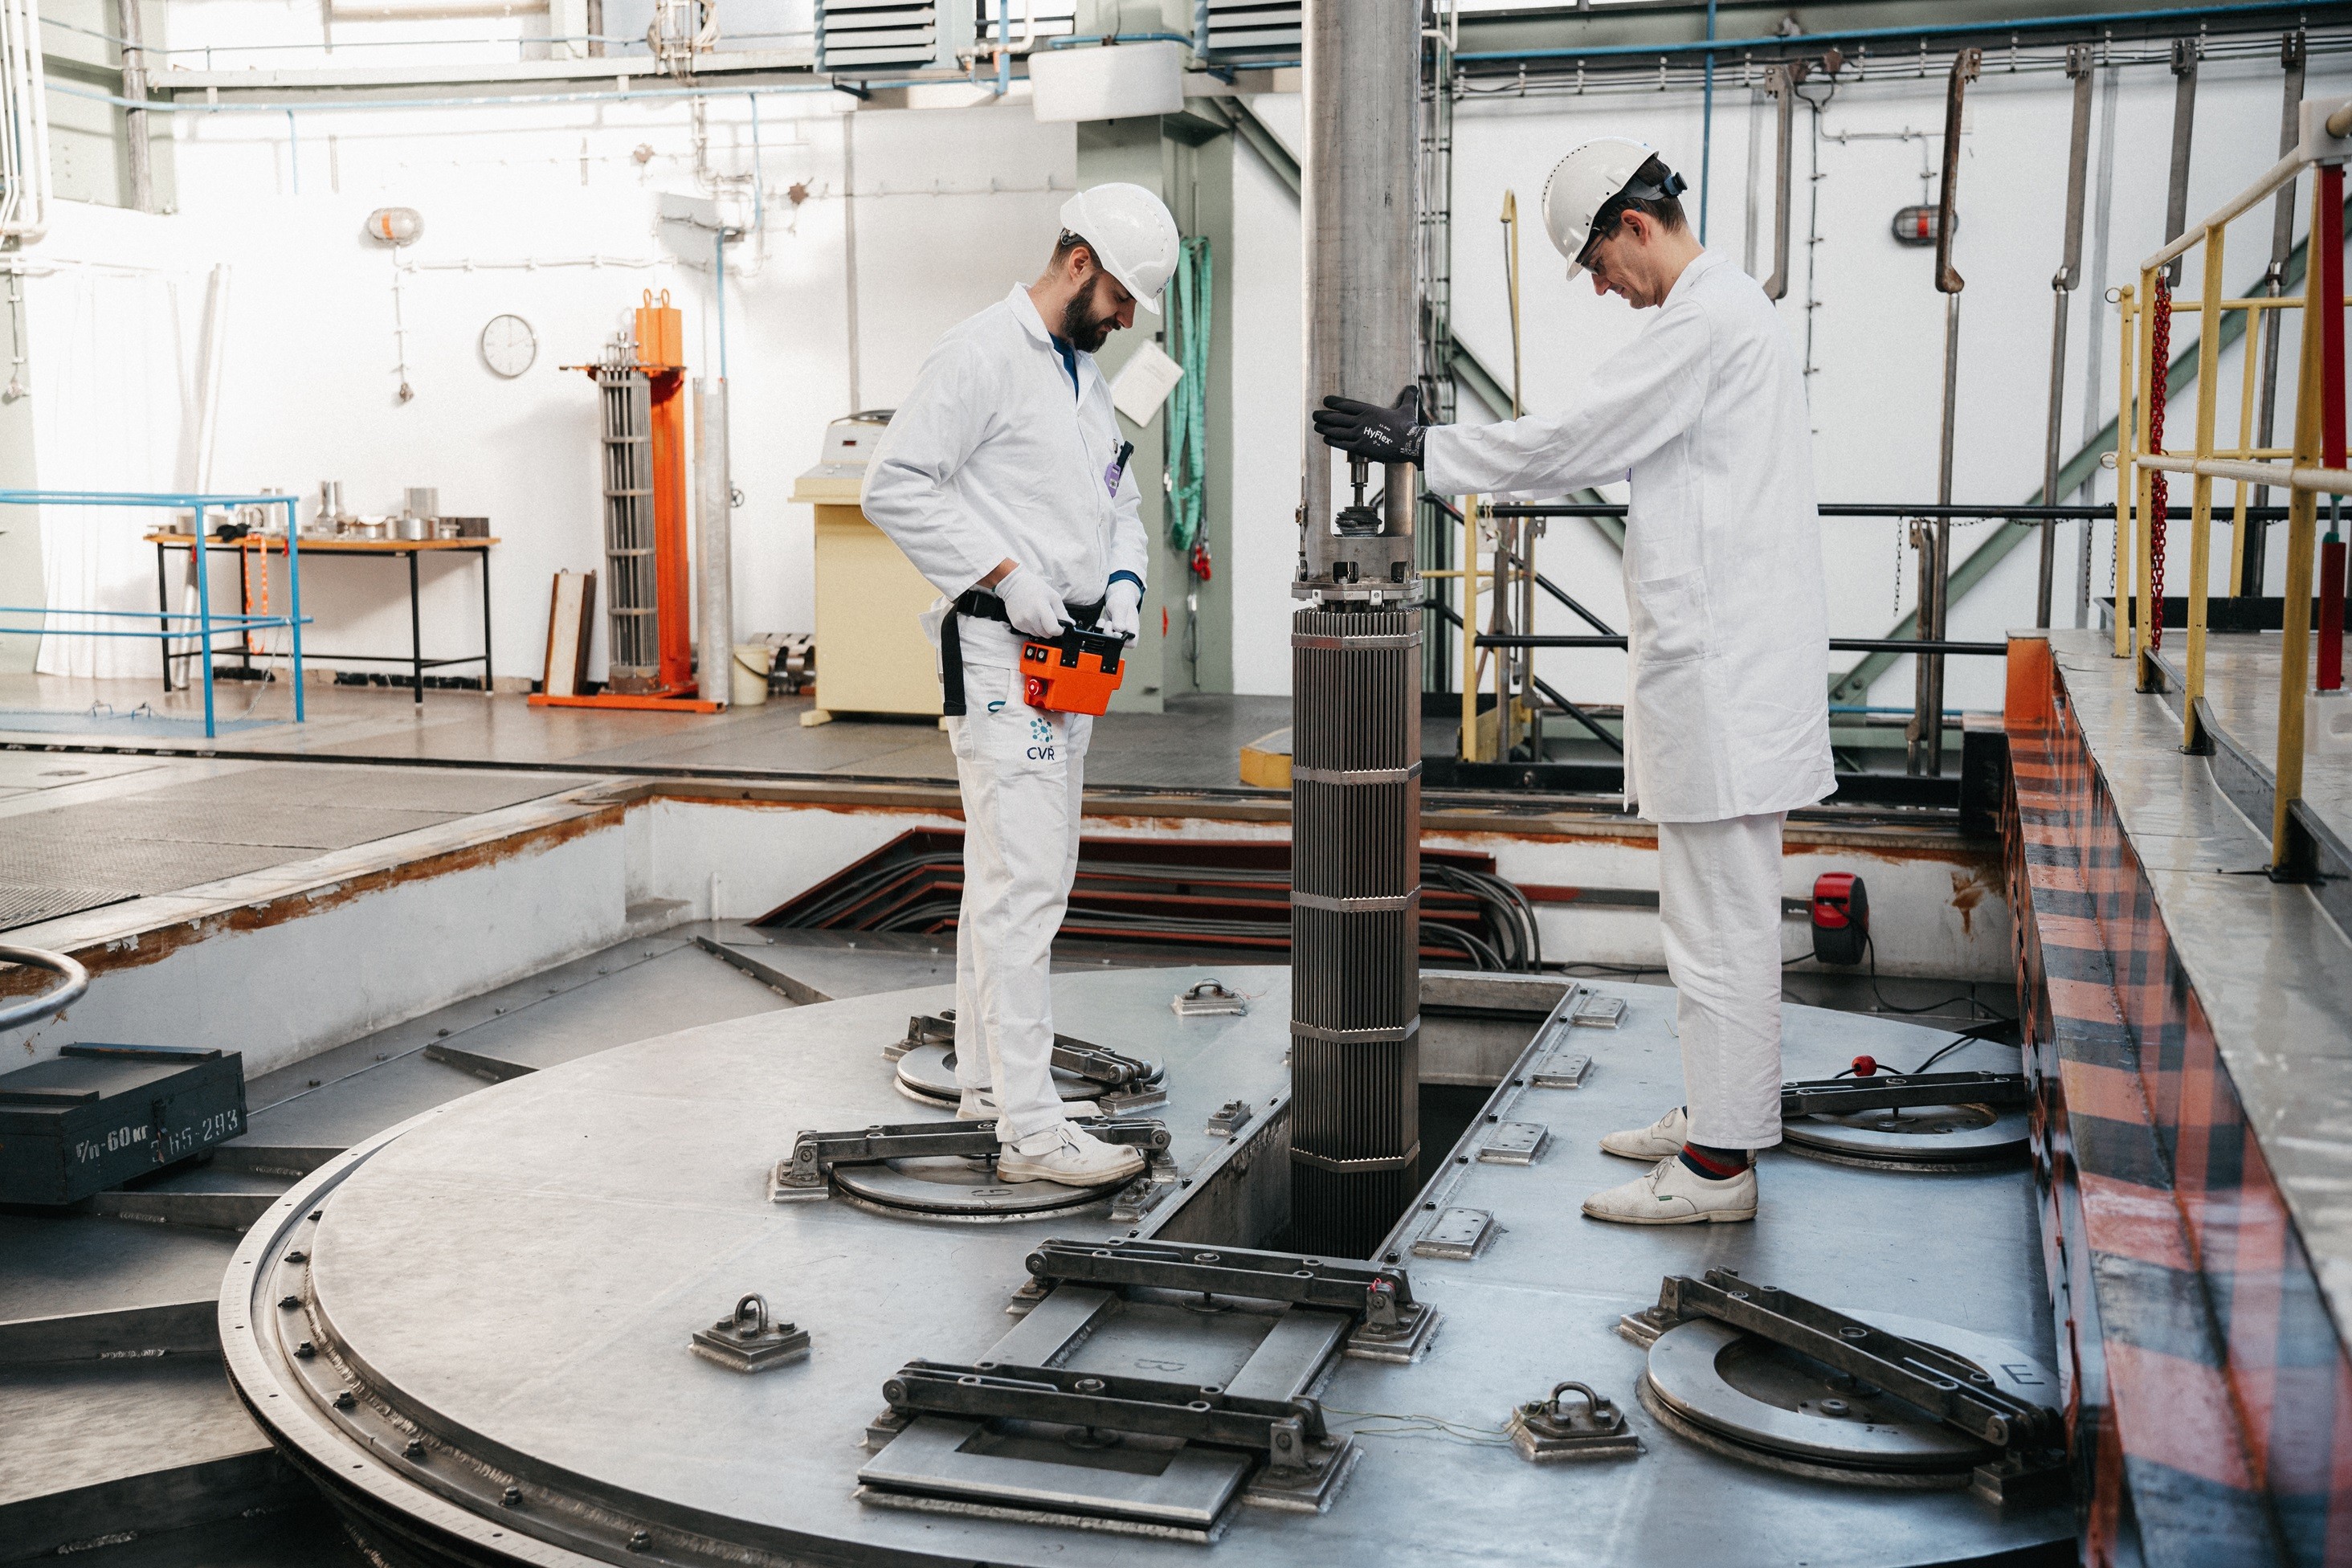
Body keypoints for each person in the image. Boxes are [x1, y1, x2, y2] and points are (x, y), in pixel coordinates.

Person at [1313, 139, 1831, 1225]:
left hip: (1726, 681)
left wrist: (1425, 450)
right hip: (1728, 672)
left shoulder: (1704, 321)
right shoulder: (1726, 313)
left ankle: (1719, 1169)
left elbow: (1579, 439)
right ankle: (1719, 1116)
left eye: (1598, 265)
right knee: (1715, 918)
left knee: (1719, 925)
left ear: (1634, 225)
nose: (1602, 289)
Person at [860, 183, 1180, 1188]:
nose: (1124, 320)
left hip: (1071, 656)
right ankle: (1033, 1131)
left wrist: (1122, 582)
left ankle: (992, 1089)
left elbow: (1121, 501)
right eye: (1120, 298)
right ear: (1079, 263)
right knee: (1027, 886)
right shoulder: (979, 355)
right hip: (1003, 652)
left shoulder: (1083, 378)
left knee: (1009, 879)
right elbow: (893, 484)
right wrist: (1006, 574)